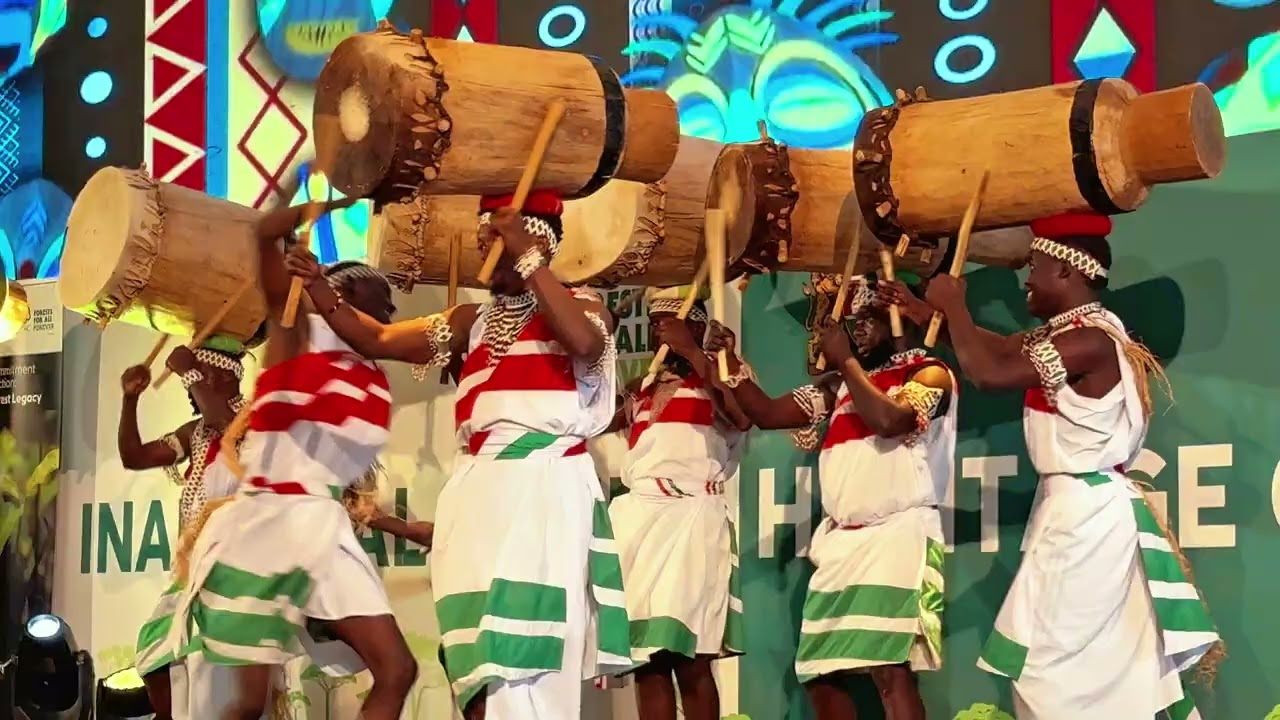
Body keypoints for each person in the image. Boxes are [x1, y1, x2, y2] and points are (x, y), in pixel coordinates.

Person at [285, 190, 633, 719]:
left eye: (495, 237)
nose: (484, 248)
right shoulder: (472, 320)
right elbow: (376, 336)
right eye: (483, 238)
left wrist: (533, 263)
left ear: (534, 241)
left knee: (522, 652)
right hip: (475, 497)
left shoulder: (581, 307)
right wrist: (316, 285)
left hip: (542, 490)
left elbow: (585, 345)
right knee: (473, 660)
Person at [911, 212, 1219, 719]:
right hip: (1074, 514)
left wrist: (955, 306)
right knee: (1072, 669)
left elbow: (990, 373)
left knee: (1058, 672)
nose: (1025, 280)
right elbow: (1001, 349)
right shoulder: (1070, 334)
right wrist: (929, 316)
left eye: (1035, 266)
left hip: (1088, 520)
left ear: (1067, 272)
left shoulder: (1091, 340)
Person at [147, 200, 421, 720]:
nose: (388, 315)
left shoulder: (366, 366)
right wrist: (282, 225)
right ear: (340, 297)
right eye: (379, 302)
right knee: (247, 701)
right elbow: (272, 268)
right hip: (270, 523)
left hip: (317, 522)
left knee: (394, 671)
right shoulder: (299, 338)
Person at [704, 273, 956, 720]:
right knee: (820, 670)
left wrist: (846, 364)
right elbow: (766, 412)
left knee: (888, 670)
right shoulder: (838, 386)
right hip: (842, 544)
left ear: (903, 319)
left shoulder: (930, 373)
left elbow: (889, 420)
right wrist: (729, 361)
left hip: (898, 536)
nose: (856, 328)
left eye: (869, 318)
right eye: (853, 320)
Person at [608, 286, 750, 720]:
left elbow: (743, 417)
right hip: (641, 523)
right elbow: (593, 420)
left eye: (672, 325)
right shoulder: (643, 387)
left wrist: (696, 352)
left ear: (699, 326)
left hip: (693, 519)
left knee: (691, 658)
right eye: (654, 327)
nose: (661, 335)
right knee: (648, 660)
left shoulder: (726, 372)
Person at [122, 337, 250, 720]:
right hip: (191, 567)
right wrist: (130, 400)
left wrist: (187, 369)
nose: (193, 387)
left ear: (228, 378)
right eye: (195, 378)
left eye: (206, 375)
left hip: (235, 564)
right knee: (154, 653)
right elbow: (134, 456)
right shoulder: (194, 433)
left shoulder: (253, 419)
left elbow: (224, 423)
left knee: (213, 670)